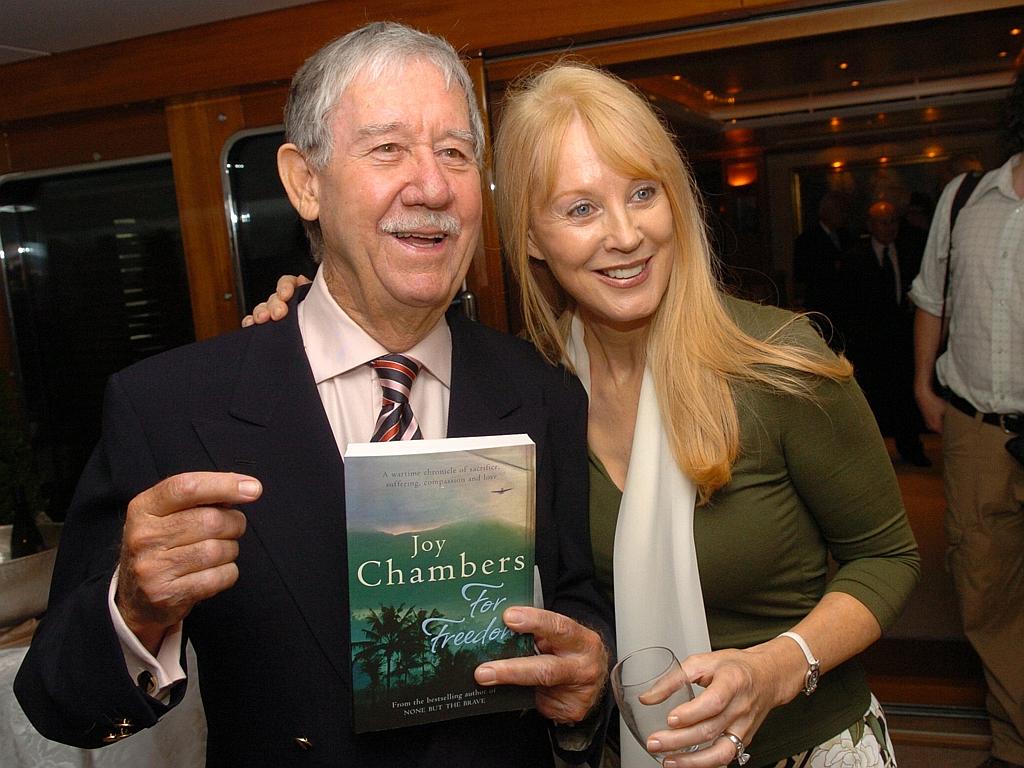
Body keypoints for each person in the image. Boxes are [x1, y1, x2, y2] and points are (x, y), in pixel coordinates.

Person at [251, 63, 920, 768]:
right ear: (532, 238)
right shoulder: (530, 388)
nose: (626, 234)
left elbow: (889, 556)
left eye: (642, 193)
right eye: (581, 209)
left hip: (804, 747)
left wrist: (778, 668)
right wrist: (293, 336)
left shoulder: (775, 362)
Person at [14, 23, 613, 768]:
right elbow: (57, 702)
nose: (431, 186)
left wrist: (587, 674)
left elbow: (575, 597)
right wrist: (133, 607)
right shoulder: (172, 409)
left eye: (455, 152)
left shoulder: (540, 389)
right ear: (304, 182)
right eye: (388, 148)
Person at [910, 70, 1024, 768]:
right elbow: (930, 297)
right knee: (983, 591)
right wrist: (923, 384)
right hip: (976, 429)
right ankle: (1013, 745)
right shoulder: (964, 199)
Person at [841, 201, 930, 467]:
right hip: (869, 343)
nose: (889, 228)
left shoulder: (911, 252)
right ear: (870, 226)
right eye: (883, 222)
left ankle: (911, 448)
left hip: (903, 340)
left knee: (905, 397)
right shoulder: (854, 257)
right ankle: (872, 458)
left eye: (893, 221)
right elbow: (848, 304)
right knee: (871, 400)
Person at [792, 190, 851, 342]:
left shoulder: (846, 236)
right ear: (827, 211)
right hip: (821, 304)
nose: (843, 215)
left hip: (844, 306)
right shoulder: (808, 239)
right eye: (840, 210)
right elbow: (801, 274)